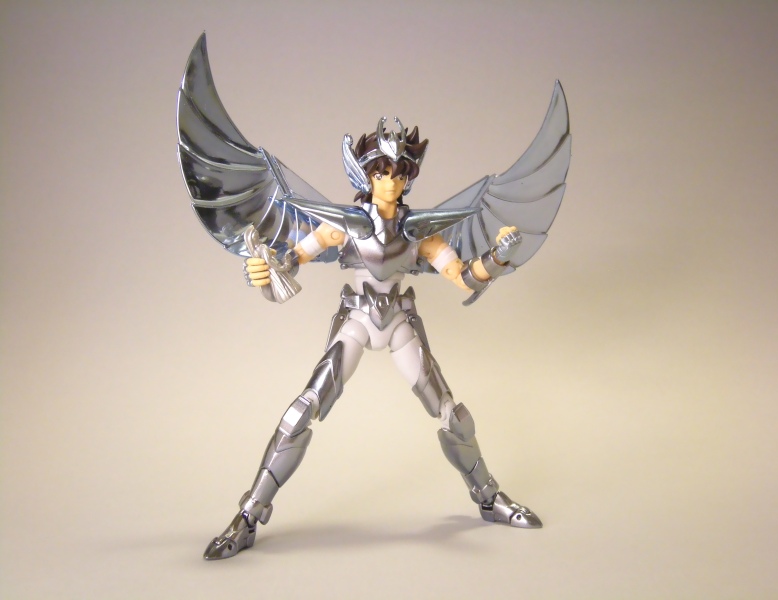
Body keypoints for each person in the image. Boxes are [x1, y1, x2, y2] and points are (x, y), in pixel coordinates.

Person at [202, 120, 542, 561]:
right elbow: (291, 260)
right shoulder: (342, 227)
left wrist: (497, 257)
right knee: (302, 410)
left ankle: (490, 498)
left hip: (398, 321)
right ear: (367, 175)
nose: (390, 183)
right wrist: (265, 272)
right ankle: (249, 514)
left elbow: (463, 277)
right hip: (359, 319)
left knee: (452, 414)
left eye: (399, 174)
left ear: (408, 178)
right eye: (382, 174)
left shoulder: (420, 232)